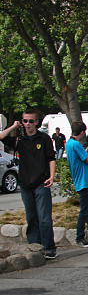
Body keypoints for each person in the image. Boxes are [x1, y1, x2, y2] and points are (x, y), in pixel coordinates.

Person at [0, 109, 57, 259]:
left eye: (31, 121)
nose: (28, 124)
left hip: (41, 182)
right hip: (25, 184)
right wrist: (13, 126)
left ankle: (49, 248)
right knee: (31, 217)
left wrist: (52, 176)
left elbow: (51, 158)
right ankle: (35, 246)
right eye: (25, 121)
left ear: (37, 122)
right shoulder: (20, 139)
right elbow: (1, 137)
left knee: (44, 217)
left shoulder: (44, 138)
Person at [66, 121, 88, 248]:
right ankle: (80, 237)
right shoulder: (75, 144)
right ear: (82, 132)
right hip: (84, 181)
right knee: (84, 209)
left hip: (81, 180)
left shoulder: (69, 143)